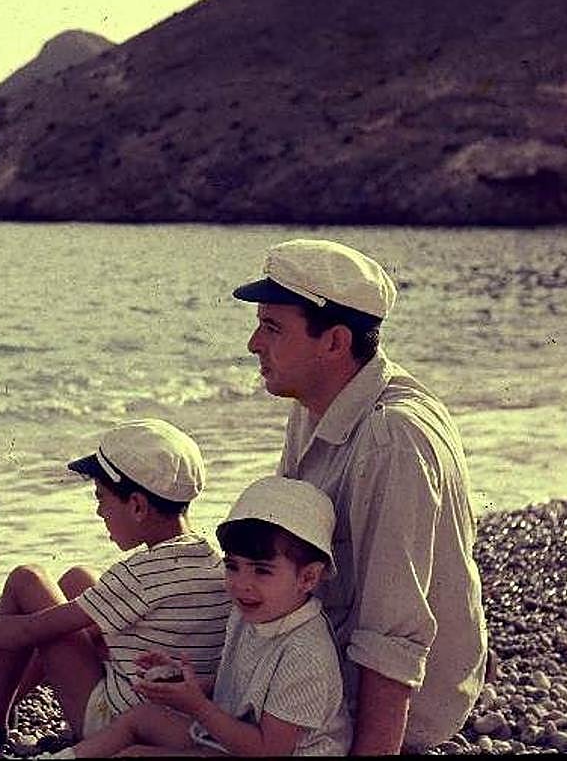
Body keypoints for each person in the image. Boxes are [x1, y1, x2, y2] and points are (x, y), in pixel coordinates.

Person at [231, 238, 489, 755]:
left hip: (388, 708)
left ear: (334, 342)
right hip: (319, 660)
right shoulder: (313, 403)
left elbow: (394, 630)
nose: (254, 343)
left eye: (273, 328)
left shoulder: (394, 436)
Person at [0, 476, 351, 758]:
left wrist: (198, 706)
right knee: (142, 718)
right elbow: (242, 687)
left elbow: (268, 751)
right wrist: (188, 683)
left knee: (133, 755)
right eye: (233, 567)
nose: (241, 584)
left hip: (256, 751)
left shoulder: (305, 654)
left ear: (309, 577)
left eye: (261, 571)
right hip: (230, 739)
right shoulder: (254, 615)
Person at [0, 418, 232, 752]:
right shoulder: (212, 561)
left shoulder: (140, 574)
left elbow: (30, 630)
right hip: (177, 721)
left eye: (101, 497)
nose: (99, 511)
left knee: (26, 580)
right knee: (77, 579)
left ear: (137, 506)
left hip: (116, 722)